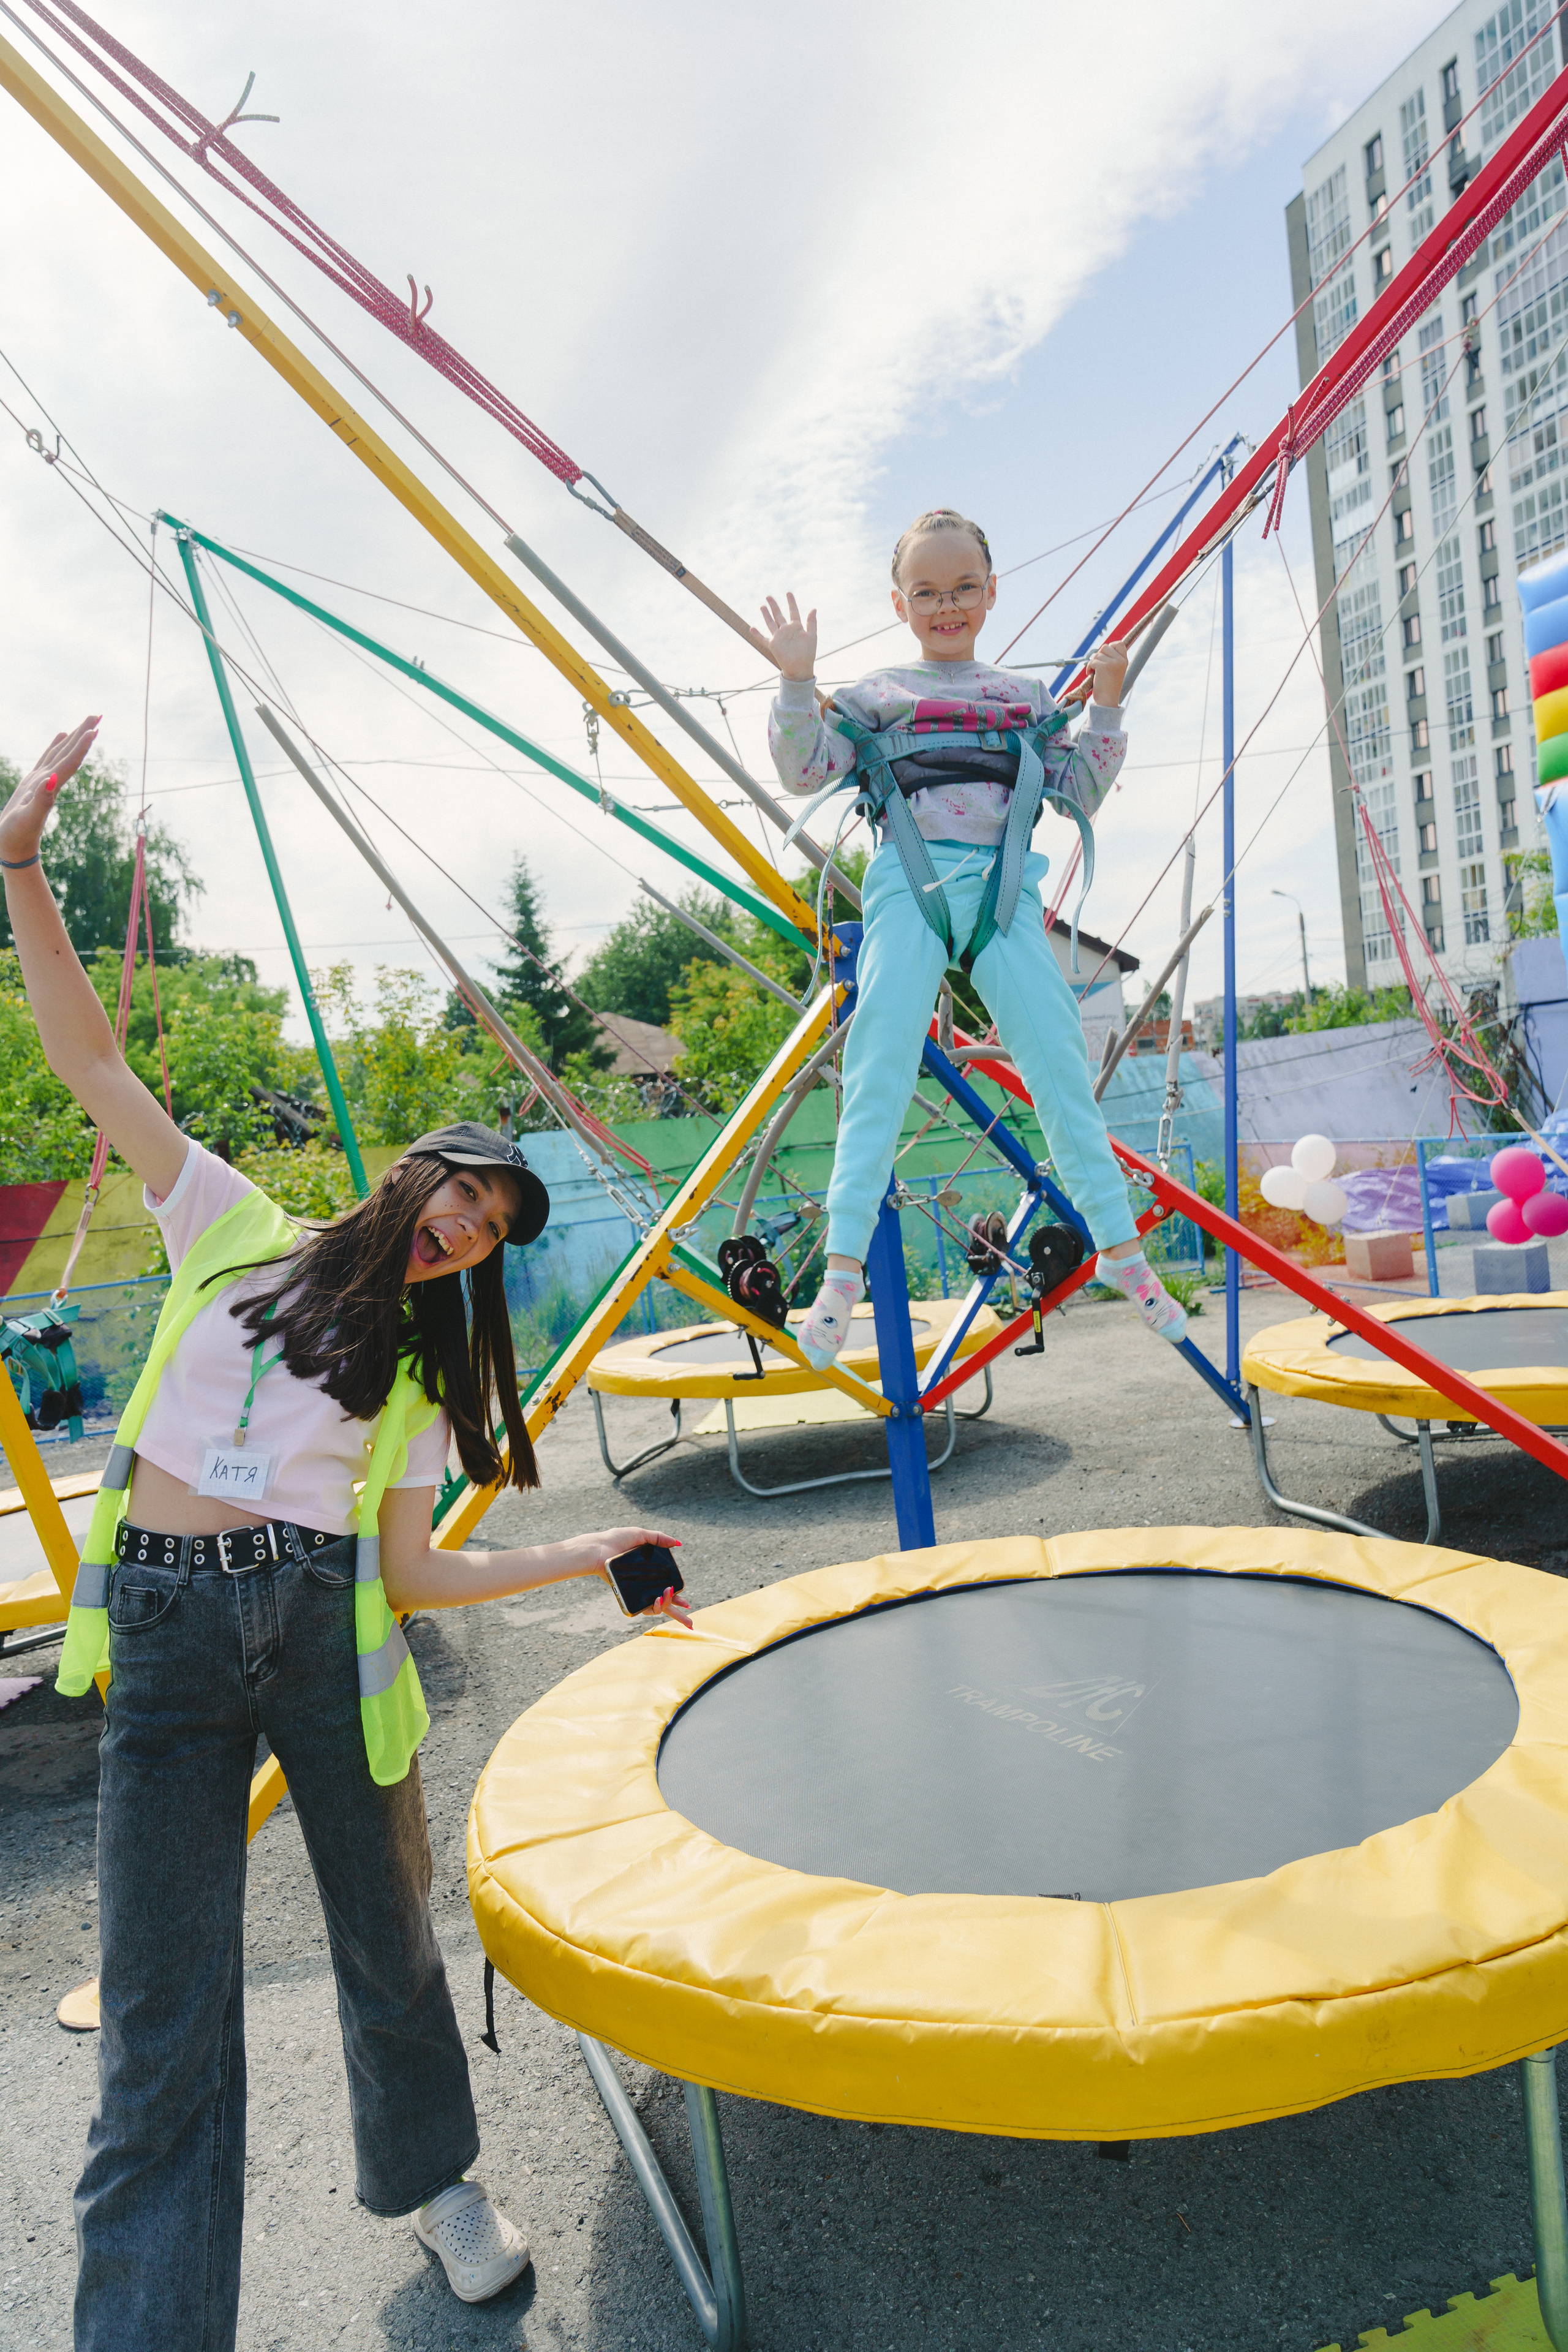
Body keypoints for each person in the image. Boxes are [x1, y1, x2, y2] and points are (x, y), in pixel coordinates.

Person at [1, 718, 690, 2350]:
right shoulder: (232, 1226)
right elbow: (92, 1064)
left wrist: (581, 1559)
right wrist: (21, 861)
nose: (469, 1231)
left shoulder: (423, 1384)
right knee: (160, 2008)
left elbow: (412, 1572)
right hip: (167, 1632)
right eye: (466, 1196)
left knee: (387, 1936)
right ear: (418, 1172)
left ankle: (437, 2182)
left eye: (493, 1233)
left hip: (325, 1633)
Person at [756, 507, 1187, 1365]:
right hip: (909, 887)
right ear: (899, 603)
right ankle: (842, 1269)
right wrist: (798, 684)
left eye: (962, 589)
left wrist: (1104, 709)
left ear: (991, 593)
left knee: (1059, 1063)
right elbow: (804, 770)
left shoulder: (1025, 701)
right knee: (878, 1061)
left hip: (1003, 892)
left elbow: (1077, 790)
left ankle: (1120, 1248)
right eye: (926, 592)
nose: (945, 606)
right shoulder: (875, 698)